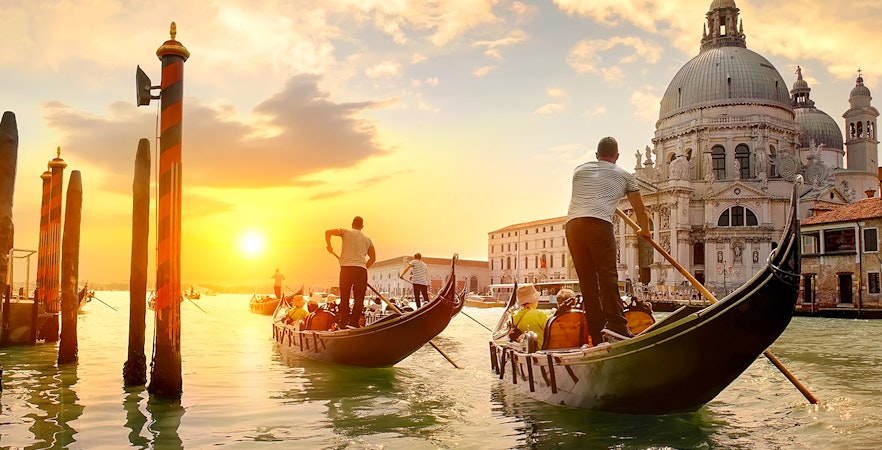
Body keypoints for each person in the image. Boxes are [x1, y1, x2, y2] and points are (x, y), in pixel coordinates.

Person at [566, 136, 650, 343]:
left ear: (596, 155)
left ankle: (596, 333)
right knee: (607, 277)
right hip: (599, 224)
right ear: (617, 156)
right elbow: (640, 209)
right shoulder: (625, 176)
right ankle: (617, 326)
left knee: (587, 282)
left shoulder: (579, 170)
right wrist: (645, 230)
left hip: (573, 225)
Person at [325, 216, 376, 328]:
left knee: (345, 297)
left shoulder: (345, 232)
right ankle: (353, 323)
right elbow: (373, 258)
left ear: (352, 224)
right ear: (362, 226)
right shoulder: (368, 240)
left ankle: (343, 323)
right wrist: (363, 267)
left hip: (346, 269)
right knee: (359, 300)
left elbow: (327, 232)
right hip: (361, 270)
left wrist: (329, 246)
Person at [510, 284, 549, 349]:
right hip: (541, 350)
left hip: (525, 350)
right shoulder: (539, 314)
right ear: (533, 300)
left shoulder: (514, 316)